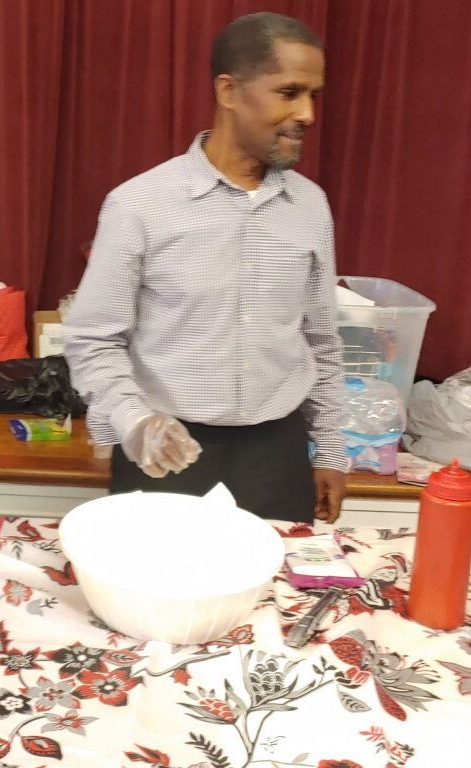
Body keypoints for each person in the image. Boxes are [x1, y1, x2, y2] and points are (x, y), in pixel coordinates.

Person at [63, 12, 347, 523]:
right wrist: (133, 422)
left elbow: (321, 340)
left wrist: (329, 450)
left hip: (277, 455)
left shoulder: (311, 207)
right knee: (155, 599)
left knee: (277, 599)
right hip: (167, 451)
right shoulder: (140, 204)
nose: (307, 113)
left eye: (314, 96)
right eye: (289, 92)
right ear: (229, 91)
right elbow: (92, 338)